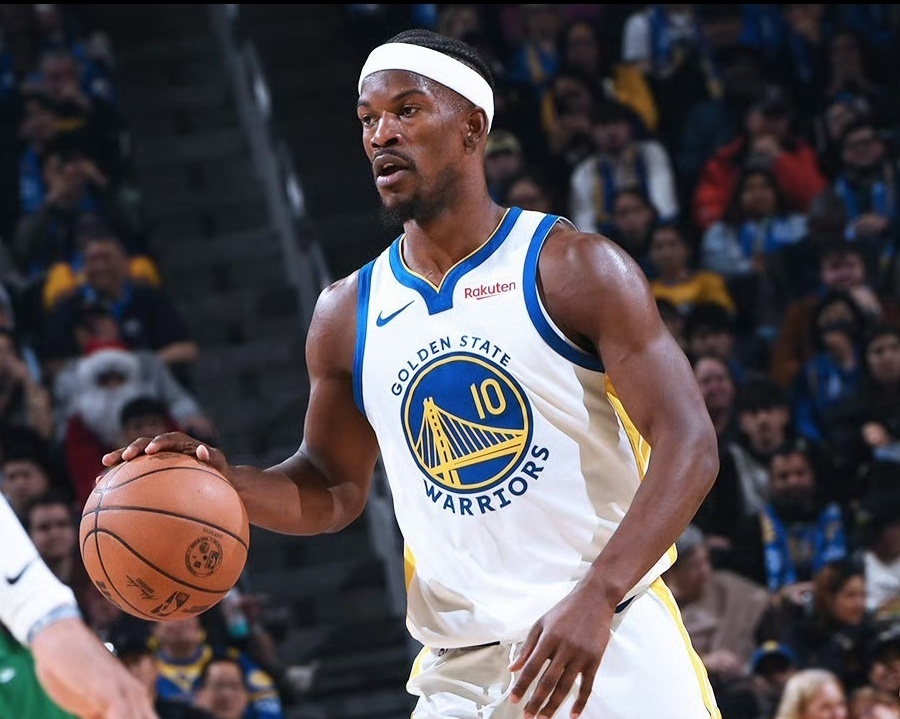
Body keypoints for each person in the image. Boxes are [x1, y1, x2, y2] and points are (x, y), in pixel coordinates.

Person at [104, 28, 722, 719]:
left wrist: (600, 592)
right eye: (368, 119)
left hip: (607, 637)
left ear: (472, 127)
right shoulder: (347, 311)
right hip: (462, 672)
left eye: (407, 110)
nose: (382, 135)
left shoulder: (574, 268)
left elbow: (690, 442)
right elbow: (333, 485)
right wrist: (222, 485)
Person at [0, 492, 159, 718]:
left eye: (61, 525)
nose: (54, 534)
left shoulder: (95, 588)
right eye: (44, 527)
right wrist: (47, 619)